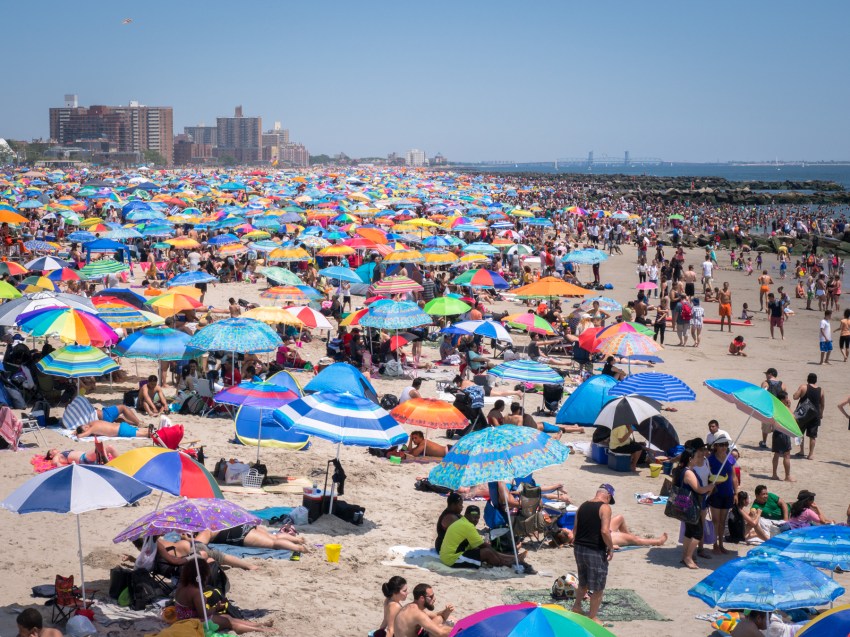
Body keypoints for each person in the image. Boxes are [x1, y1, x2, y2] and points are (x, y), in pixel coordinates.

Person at [172, 559, 273, 634]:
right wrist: (216, 608)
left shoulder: (182, 585)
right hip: (192, 622)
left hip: (183, 618)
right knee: (229, 622)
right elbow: (203, 615)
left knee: (228, 617)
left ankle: (259, 625)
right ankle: (261, 630)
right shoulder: (195, 592)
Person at [570, 484, 615, 622]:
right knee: (598, 586)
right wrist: (611, 547)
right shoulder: (605, 507)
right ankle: (592, 616)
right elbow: (605, 531)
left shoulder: (582, 506)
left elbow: (575, 530)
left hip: (579, 548)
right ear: (608, 495)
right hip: (594, 550)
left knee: (583, 581)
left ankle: (577, 607)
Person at [439, 505, 529, 570]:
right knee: (487, 552)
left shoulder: (462, 522)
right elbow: (484, 546)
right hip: (451, 559)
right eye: (473, 517)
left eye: (477, 518)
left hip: (448, 555)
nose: (476, 520)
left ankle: (510, 559)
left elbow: (475, 545)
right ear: (466, 515)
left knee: (487, 550)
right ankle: (508, 562)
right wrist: (506, 556)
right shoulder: (467, 526)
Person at [675, 438, 717, 569]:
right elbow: (698, 489)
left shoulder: (685, 470)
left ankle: (685, 556)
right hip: (692, 506)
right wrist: (709, 487)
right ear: (690, 459)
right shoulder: (688, 472)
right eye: (695, 457)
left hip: (687, 506)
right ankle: (688, 557)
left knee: (689, 531)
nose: (698, 459)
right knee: (697, 533)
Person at [707, 433, 738, 555]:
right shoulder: (710, 459)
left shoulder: (730, 458)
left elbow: (734, 477)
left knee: (722, 521)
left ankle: (720, 544)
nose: (724, 447)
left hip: (728, 493)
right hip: (715, 493)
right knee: (715, 520)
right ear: (716, 446)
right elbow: (706, 475)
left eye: (726, 444)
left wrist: (736, 493)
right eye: (721, 445)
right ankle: (715, 544)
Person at [793, 372, 824, 459]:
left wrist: (795, 395)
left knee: (799, 433)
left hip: (803, 414)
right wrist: (821, 414)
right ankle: (811, 454)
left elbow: (795, 397)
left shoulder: (803, 387)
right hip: (815, 414)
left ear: (807, 379)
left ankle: (801, 451)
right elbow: (822, 404)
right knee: (813, 436)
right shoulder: (821, 390)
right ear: (816, 380)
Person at [760, 368, 787, 448]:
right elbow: (785, 398)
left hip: (768, 407)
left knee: (765, 426)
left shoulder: (765, 383)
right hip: (778, 408)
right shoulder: (782, 384)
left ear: (770, 374)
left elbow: (762, 394)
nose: (766, 376)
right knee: (777, 426)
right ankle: (776, 444)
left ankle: (764, 442)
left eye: (766, 374)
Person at [44, 443, 118, 466]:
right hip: (83, 459)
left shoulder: (61, 453)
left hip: (88, 457)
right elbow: (55, 463)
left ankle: (121, 462)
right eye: (52, 450)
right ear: (51, 456)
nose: (54, 449)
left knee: (110, 447)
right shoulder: (56, 456)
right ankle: (108, 465)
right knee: (99, 447)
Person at [75, 421, 152, 439]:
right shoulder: (93, 422)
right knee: (143, 431)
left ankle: (155, 434)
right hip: (121, 425)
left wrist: (76, 433)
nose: (86, 428)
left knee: (145, 434)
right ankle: (155, 430)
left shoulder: (92, 429)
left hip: (121, 430)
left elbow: (80, 436)